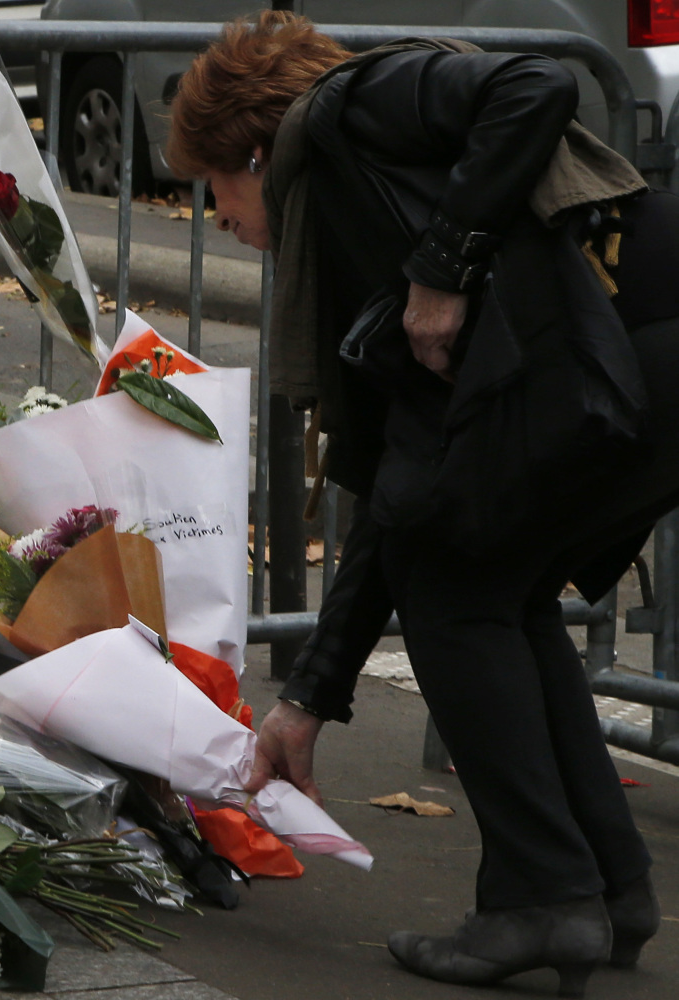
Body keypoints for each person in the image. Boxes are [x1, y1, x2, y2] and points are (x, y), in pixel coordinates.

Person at [166, 12, 679, 996]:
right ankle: (606, 892)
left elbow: (532, 86)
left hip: (639, 341)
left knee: (456, 594)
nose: (217, 217)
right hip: (641, 350)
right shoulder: (355, 241)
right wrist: (309, 698)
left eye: (212, 188)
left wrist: (440, 272)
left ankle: (541, 898)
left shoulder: (352, 110)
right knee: (491, 584)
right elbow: (387, 502)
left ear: (255, 149)